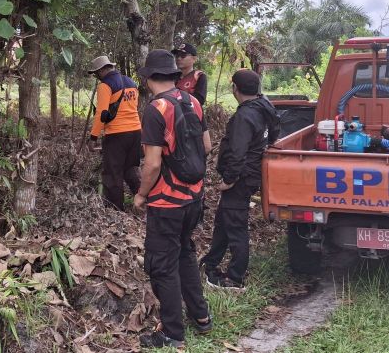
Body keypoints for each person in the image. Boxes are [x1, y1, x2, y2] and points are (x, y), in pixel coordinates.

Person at [133, 49, 213, 348]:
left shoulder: (155, 109)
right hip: (194, 197)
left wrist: (141, 195)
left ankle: (172, 331)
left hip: (167, 202)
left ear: (149, 78)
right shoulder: (191, 101)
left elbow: (152, 164)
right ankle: (201, 317)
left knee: (162, 264)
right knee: (185, 254)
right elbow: (205, 146)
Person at [201, 69, 280, 290]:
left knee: (235, 226)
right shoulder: (264, 108)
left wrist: (229, 179)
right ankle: (211, 263)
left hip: (241, 178)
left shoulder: (245, 116)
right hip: (251, 173)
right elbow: (274, 135)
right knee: (224, 220)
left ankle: (235, 278)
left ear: (235, 88)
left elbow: (237, 153)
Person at [87, 55, 142, 210]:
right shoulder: (131, 82)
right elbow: (133, 108)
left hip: (116, 135)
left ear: (104, 69)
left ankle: (115, 209)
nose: (97, 77)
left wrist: (93, 137)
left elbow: (102, 114)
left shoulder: (105, 85)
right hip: (136, 132)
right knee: (131, 168)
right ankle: (143, 201)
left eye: (97, 73)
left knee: (113, 173)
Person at [172, 42, 208, 106]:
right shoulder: (173, 76)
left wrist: (176, 96)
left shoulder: (199, 76)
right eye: (177, 55)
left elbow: (200, 100)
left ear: (194, 59)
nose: (178, 58)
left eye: (183, 55)